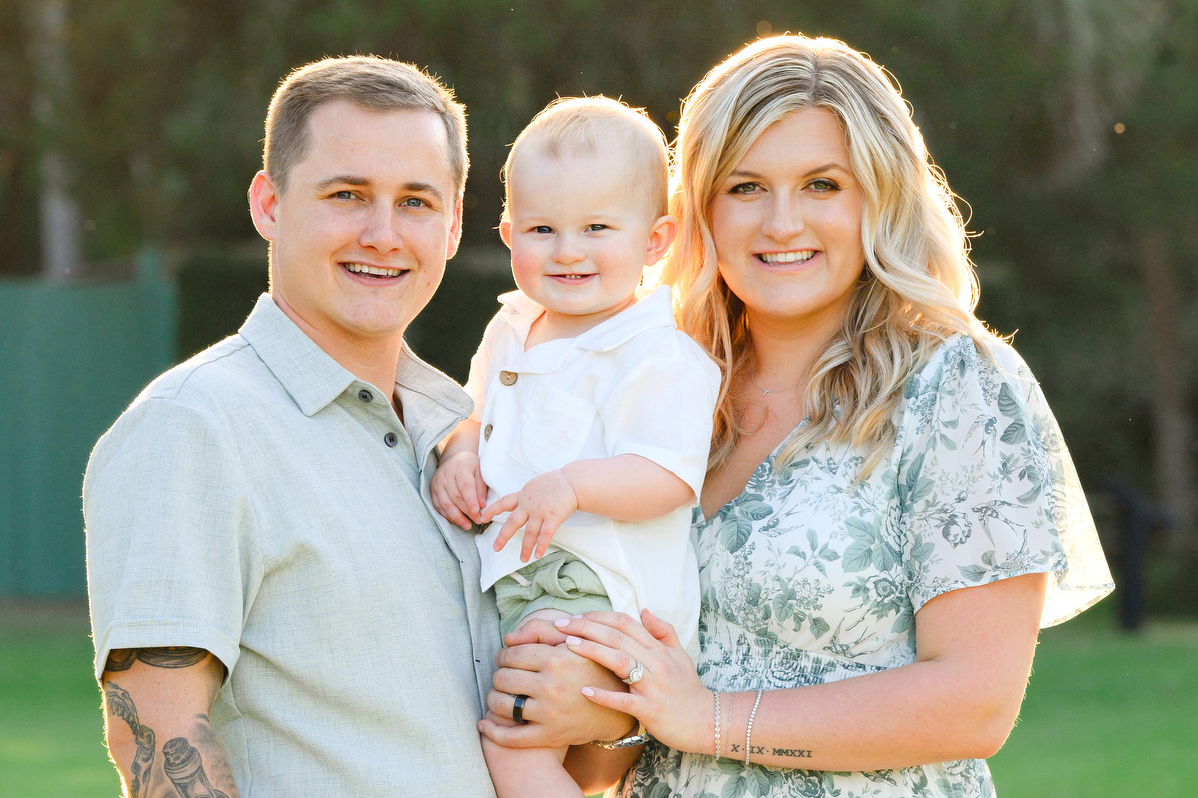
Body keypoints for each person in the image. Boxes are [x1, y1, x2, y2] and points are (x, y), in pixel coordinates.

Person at [485, 35, 1115, 797]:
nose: (782, 223)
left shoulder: (953, 386)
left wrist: (708, 718)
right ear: (695, 211)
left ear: (879, 196)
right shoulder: (663, 387)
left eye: (822, 185)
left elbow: (973, 703)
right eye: (746, 187)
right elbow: (640, 718)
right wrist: (590, 708)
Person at [85, 56, 516, 797]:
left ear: (452, 227)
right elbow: (153, 736)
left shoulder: (470, 437)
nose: (383, 234)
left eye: (416, 202)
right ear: (269, 204)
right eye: (347, 194)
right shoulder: (194, 425)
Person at [430, 96, 721, 798]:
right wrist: (460, 457)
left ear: (655, 242)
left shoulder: (660, 354)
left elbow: (667, 474)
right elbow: (475, 414)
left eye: (596, 228)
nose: (567, 250)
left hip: (597, 588)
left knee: (513, 739)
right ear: (507, 234)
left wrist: (573, 485)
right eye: (542, 228)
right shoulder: (512, 326)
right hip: (516, 579)